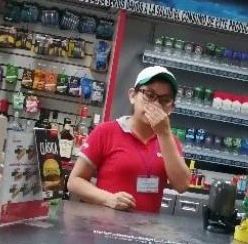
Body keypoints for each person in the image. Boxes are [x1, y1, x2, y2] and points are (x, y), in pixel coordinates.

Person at [68, 66, 190, 212]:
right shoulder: (106, 131)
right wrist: (108, 198)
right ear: (133, 95)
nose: (156, 105)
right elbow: (74, 181)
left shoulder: (170, 141)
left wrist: (164, 134)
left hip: (145, 231)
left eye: (165, 100)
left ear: (171, 108)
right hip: (104, 228)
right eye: (150, 95)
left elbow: (182, 185)